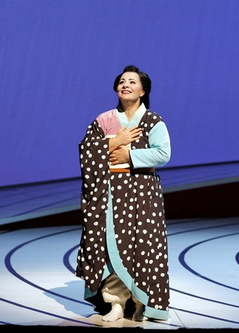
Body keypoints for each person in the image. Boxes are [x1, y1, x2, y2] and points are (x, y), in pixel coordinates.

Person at [75, 65, 171, 322]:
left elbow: (163, 153)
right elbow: (86, 150)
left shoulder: (153, 121)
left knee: (143, 247)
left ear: (143, 90)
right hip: (110, 192)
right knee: (111, 246)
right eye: (122, 81)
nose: (125, 85)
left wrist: (130, 155)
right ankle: (116, 302)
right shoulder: (104, 120)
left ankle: (142, 302)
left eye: (132, 81)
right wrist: (115, 142)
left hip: (142, 191)